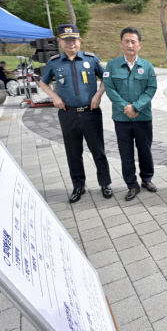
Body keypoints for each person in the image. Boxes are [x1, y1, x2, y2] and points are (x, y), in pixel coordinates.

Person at [38, 23, 113, 203]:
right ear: (60, 42)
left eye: (74, 40)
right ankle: (78, 186)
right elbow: (42, 82)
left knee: (98, 150)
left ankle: (105, 183)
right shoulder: (54, 62)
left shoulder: (91, 59)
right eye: (66, 41)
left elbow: (106, 78)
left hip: (91, 112)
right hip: (68, 114)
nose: (71, 44)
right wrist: (54, 96)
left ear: (79, 40)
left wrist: (98, 94)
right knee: (73, 152)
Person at [104, 27, 158, 201]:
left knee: (145, 150)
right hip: (122, 119)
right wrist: (125, 107)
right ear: (121, 43)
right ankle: (131, 185)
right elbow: (110, 88)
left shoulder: (147, 66)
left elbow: (151, 89)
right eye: (126, 41)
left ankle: (147, 179)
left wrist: (136, 107)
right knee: (125, 153)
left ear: (139, 45)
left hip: (143, 117)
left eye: (133, 41)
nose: (130, 44)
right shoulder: (112, 66)